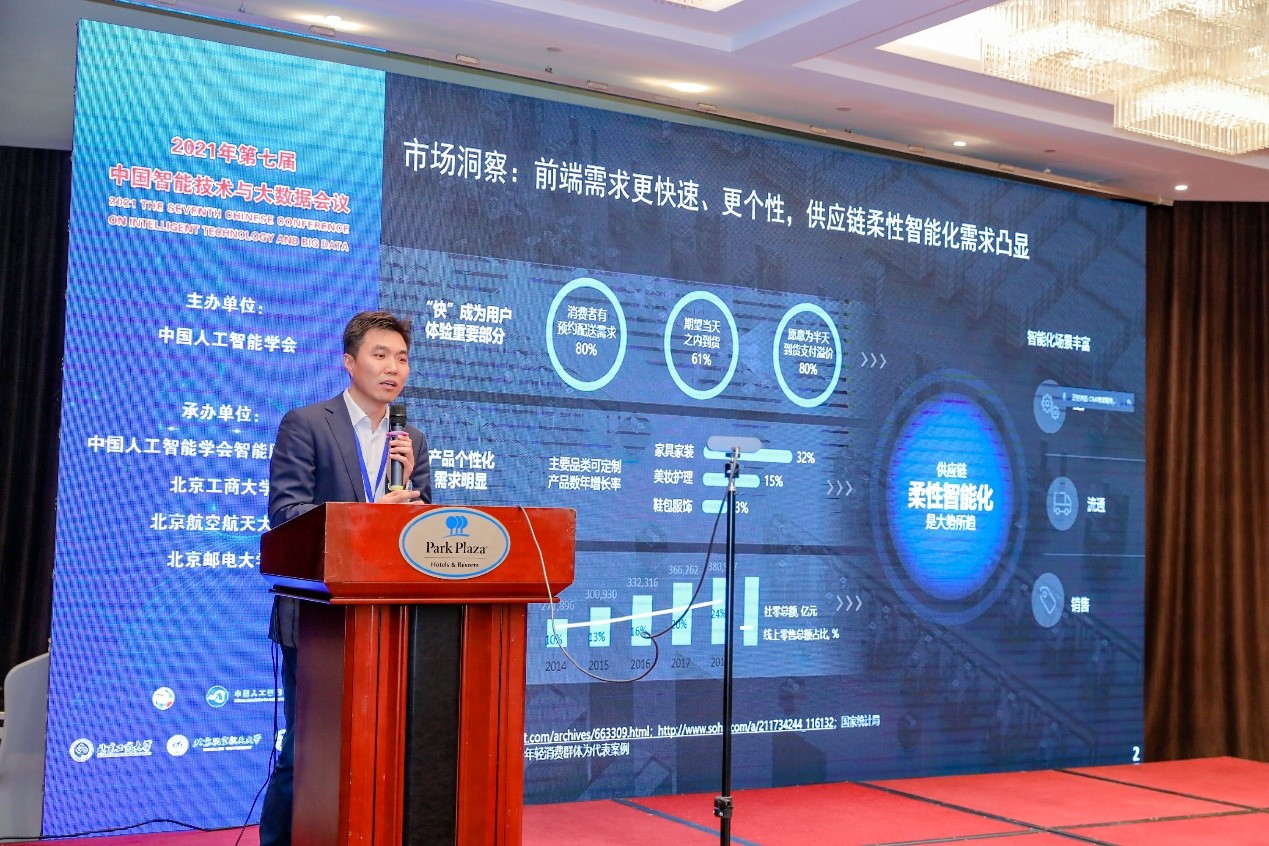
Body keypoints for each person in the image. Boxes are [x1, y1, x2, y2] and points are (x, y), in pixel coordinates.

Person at [258, 311, 431, 846]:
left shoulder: (411, 440)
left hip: (389, 620)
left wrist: (416, 504)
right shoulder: (308, 424)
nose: (393, 368)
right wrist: (373, 515)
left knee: (382, 748)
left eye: (401, 358)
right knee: (306, 750)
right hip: (318, 620)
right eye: (380, 355)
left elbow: (423, 535)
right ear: (349, 363)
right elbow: (287, 515)